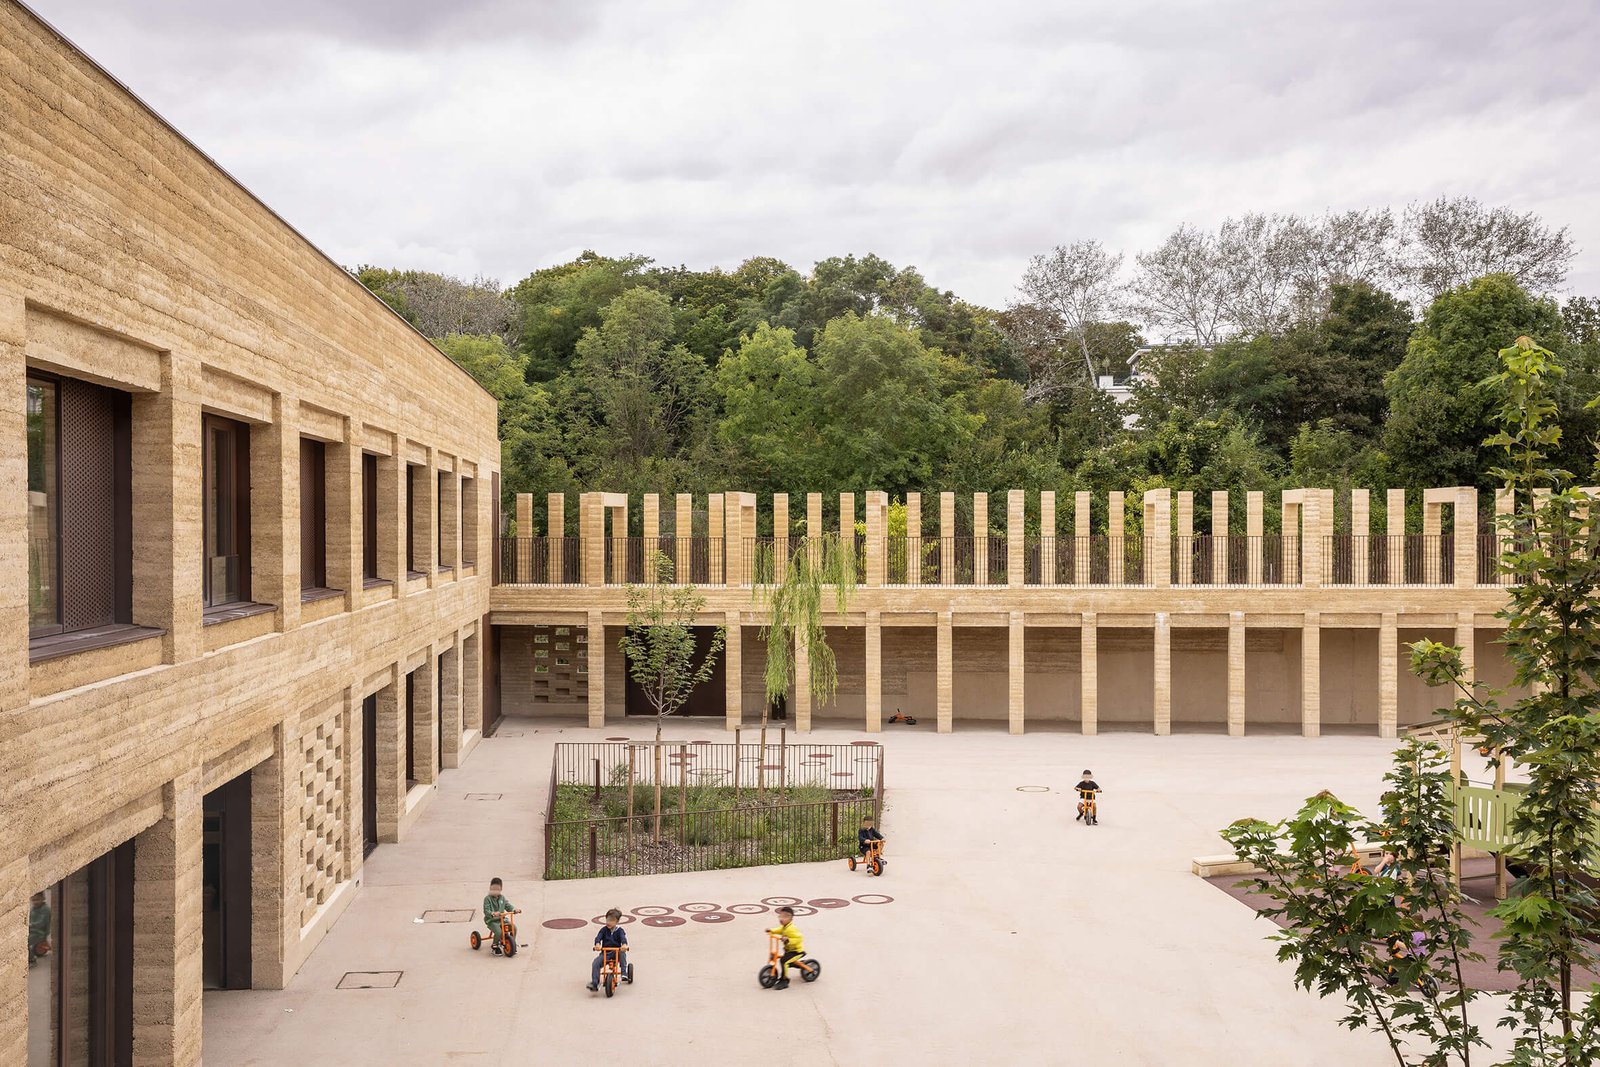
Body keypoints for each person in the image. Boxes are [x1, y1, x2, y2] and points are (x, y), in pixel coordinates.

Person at [588, 908, 630, 991]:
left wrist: (624, 945)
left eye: (611, 921)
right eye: (607, 920)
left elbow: (623, 938)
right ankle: (595, 983)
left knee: (622, 953)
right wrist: (597, 944)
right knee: (596, 962)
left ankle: (624, 973)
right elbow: (598, 937)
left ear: (617, 922)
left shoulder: (620, 931)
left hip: (616, 952)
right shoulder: (604, 930)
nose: (608, 922)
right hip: (605, 953)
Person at [767, 906, 804, 990]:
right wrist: (771, 931)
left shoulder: (791, 929)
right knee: (786, 960)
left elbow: (799, 938)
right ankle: (798, 964)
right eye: (780, 916)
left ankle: (784, 980)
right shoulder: (785, 927)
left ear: (790, 918)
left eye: (784, 917)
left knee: (784, 961)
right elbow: (779, 930)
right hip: (789, 951)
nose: (781, 918)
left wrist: (788, 940)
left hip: (796, 951)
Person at [482, 877, 514, 948]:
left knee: (513, 927)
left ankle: (511, 942)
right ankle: (495, 945)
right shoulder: (487, 899)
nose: (495, 891)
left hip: (502, 919)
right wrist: (492, 913)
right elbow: (486, 910)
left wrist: (514, 909)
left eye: (497, 889)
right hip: (491, 920)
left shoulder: (502, 898)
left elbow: (507, 905)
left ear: (501, 889)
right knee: (499, 932)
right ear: (490, 888)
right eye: (493, 889)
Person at [27, 891, 50, 966]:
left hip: (40, 933)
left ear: (43, 898)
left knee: (26, 942)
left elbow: (41, 923)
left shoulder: (45, 909)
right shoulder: (33, 909)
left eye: (37, 899)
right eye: (33, 900)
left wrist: (30, 925)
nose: (35, 902)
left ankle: (31, 960)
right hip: (32, 930)